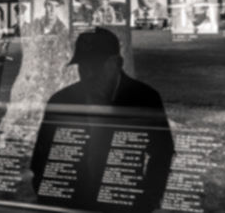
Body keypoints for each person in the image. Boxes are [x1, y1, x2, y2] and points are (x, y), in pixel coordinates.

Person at [31, 27, 174, 212]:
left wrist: (147, 200)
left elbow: (162, 153)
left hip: (121, 203)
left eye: (95, 67)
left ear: (116, 63)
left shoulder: (144, 98)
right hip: (71, 201)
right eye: (83, 66)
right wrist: (48, 196)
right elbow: (42, 153)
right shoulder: (62, 100)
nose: (88, 74)